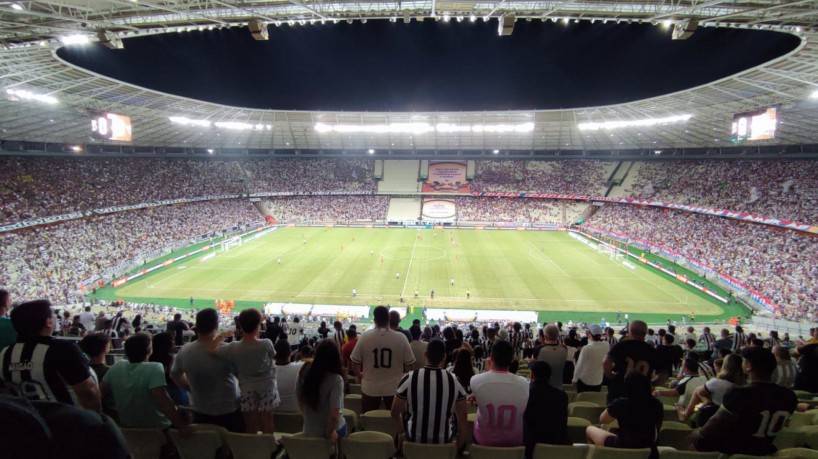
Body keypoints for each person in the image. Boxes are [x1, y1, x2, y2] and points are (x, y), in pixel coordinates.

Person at [690, 347, 798, 456]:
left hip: (734, 452)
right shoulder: (789, 396)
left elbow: (716, 423)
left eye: (743, 361)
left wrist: (697, 434)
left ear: (748, 366)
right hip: (765, 450)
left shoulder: (739, 393)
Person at [0, 300, 100, 411]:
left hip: (28, 418)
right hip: (68, 418)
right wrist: (98, 418)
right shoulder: (62, 349)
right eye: (53, 317)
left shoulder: (5, 353)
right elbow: (88, 391)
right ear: (48, 322)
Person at [102, 333, 191, 436]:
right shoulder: (155, 367)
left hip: (126, 428)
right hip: (158, 429)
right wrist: (181, 426)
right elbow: (163, 401)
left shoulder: (117, 366)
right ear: (149, 351)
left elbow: (99, 392)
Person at [170, 308, 244, 432]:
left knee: (206, 442)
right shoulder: (227, 350)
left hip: (200, 410)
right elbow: (243, 378)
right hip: (229, 411)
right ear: (216, 325)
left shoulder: (185, 350)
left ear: (197, 326)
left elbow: (175, 375)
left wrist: (189, 388)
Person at [209, 308, 279, 434]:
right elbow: (273, 357)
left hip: (247, 388)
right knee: (267, 421)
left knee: (251, 424)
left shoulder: (234, 347)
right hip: (267, 387)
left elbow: (212, 350)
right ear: (258, 325)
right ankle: (269, 445)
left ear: (240, 326)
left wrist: (222, 335)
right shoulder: (266, 343)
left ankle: (250, 445)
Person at [392, 339, 468, 449]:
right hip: (444, 440)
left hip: (414, 438)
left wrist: (402, 433)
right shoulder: (454, 380)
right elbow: (463, 415)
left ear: (425, 354)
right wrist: (460, 442)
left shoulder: (409, 377)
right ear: (444, 357)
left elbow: (394, 412)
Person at [351, 306, 415, 413]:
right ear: (389, 317)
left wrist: (361, 375)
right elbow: (410, 366)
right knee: (395, 418)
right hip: (394, 388)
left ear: (374, 319)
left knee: (369, 417)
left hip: (370, 387)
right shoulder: (401, 337)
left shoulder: (365, 336)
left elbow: (355, 363)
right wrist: (402, 377)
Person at [586, 371, 663, 459]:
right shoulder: (657, 404)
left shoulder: (621, 403)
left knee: (589, 430)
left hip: (623, 447)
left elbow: (603, 419)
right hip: (650, 450)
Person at [470, 340, 529, 447]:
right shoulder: (524, 383)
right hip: (514, 442)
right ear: (512, 359)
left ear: (491, 357)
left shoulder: (475, 380)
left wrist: (487, 372)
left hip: (483, 440)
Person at [297, 340, 347, 443]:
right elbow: (334, 415)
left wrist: (309, 419)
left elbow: (299, 399)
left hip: (310, 429)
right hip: (331, 431)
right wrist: (330, 432)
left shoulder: (304, 371)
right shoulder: (336, 379)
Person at [678, 354, 744, 426]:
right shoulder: (743, 385)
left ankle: (686, 414)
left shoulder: (718, 382)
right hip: (733, 420)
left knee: (698, 390)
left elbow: (699, 391)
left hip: (712, 415)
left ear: (725, 366)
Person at [523, 361, 569, 459]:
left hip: (533, 449)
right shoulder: (562, 395)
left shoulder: (527, 394)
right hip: (560, 447)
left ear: (532, 375)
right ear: (549, 377)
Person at [603, 320, 655, 403]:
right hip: (642, 392)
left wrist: (609, 375)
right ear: (645, 333)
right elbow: (663, 374)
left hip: (619, 390)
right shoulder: (651, 350)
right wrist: (652, 383)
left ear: (630, 331)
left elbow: (606, 362)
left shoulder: (620, 345)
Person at [149, 332, 189, 406]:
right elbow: (176, 376)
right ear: (167, 344)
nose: (174, 342)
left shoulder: (149, 359)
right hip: (174, 394)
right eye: (172, 340)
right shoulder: (173, 359)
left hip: (154, 394)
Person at [572, 324, 609, 392]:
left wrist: (574, 380)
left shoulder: (587, 348)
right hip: (598, 381)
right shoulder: (606, 345)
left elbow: (580, 366)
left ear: (589, 334)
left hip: (585, 381)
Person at [533, 323, 566, 389]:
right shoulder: (564, 349)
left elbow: (533, 366)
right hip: (558, 387)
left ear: (545, 336)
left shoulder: (539, 349)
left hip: (542, 388)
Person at [274, 339, 303, 413]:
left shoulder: (267, 370)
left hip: (274, 413)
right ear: (290, 353)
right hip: (296, 413)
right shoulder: (301, 367)